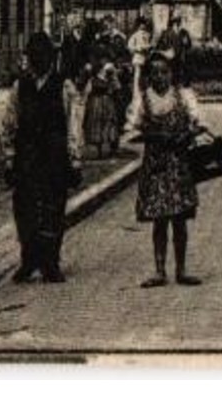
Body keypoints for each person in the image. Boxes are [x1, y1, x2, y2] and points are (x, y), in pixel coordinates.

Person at [122, 51, 213, 287]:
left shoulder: (183, 97)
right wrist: (151, 136)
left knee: (179, 218)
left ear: (172, 73)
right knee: (159, 218)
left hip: (179, 163)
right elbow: (131, 131)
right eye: (155, 73)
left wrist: (187, 134)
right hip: (156, 165)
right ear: (149, 76)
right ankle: (160, 270)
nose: (160, 77)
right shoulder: (143, 99)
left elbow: (201, 123)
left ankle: (181, 270)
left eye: (164, 72)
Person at [3, 34, 82, 283]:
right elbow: (9, 124)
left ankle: (50, 262)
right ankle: (28, 260)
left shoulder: (64, 87)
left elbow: (73, 124)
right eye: (33, 55)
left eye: (42, 55)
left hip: (54, 157)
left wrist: (75, 159)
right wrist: (9, 157)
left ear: (51, 58)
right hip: (27, 157)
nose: (37, 60)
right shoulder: (20, 87)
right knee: (24, 209)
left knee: (52, 208)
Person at [82, 55, 123, 158]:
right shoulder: (93, 77)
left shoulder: (108, 73)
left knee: (108, 124)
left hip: (105, 101)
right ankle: (100, 150)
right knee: (98, 125)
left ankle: (111, 148)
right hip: (98, 102)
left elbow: (116, 87)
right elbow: (87, 90)